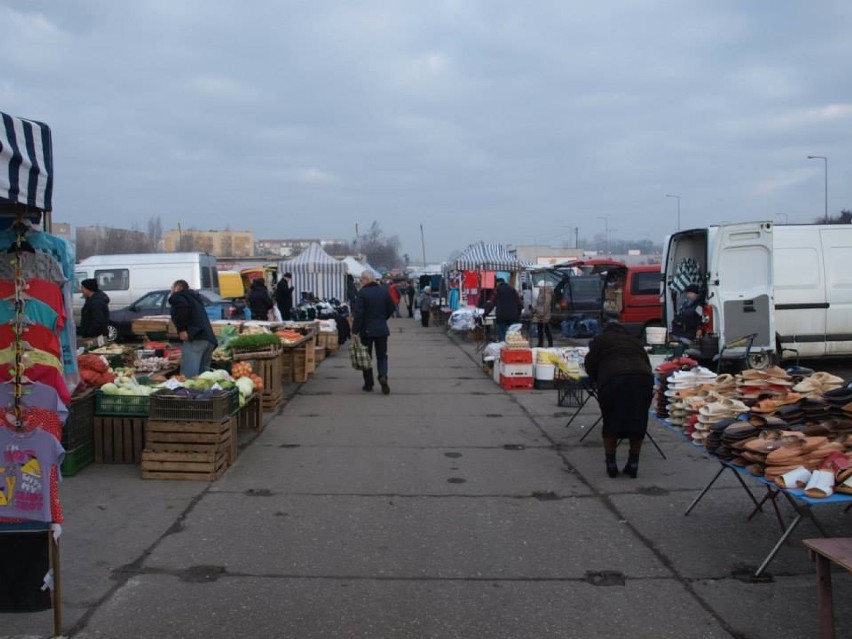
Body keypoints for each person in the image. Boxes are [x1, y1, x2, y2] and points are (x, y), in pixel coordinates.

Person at [584, 321, 654, 479]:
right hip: (642, 379)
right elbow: (646, 364)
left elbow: (589, 364)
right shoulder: (635, 342)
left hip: (613, 379)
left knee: (611, 420)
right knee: (638, 420)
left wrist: (596, 377)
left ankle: (611, 463)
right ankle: (633, 463)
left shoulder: (600, 341)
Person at [352, 271, 395, 394]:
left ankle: (368, 383)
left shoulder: (362, 293)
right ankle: (383, 376)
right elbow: (391, 308)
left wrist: (354, 330)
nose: (360, 282)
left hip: (367, 330)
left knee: (367, 357)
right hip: (382, 329)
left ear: (366, 280)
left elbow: (358, 314)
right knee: (382, 356)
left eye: (361, 280)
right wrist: (382, 319)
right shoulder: (383, 291)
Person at [168, 279, 218, 378]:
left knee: (188, 378)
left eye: (172, 287)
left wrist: (182, 329)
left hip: (196, 337)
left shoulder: (178, 296)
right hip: (208, 339)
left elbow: (182, 308)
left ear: (178, 287)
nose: (171, 290)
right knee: (203, 378)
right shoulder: (194, 298)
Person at [484, 278, 522, 342]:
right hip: (513, 315)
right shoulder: (513, 289)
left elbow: (491, 303)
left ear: (498, 283)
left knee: (502, 334)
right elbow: (519, 303)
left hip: (501, 316)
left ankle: (502, 346)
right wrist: (518, 314)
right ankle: (512, 349)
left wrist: (485, 313)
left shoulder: (497, 290)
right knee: (513, 336)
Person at [532, 280, 553, 348]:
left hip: (544, 314)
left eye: (540, 286)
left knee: (546, 329)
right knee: (540, 329)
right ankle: (540, 343)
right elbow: (538, 303)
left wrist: (542, 312)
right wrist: (534, 309)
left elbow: (547, 304)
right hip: (539, 313)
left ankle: (550, 343)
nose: (539, 288)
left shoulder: (546, 293)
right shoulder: (541, 293)